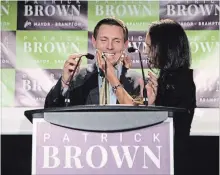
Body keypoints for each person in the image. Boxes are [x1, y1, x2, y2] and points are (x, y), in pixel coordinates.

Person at [44, 17, 157, 108]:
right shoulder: (77, 79)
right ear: (94, 41)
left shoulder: (139, 82)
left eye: (116, 41)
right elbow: (49, 111)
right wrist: (64, 82)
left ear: (125, 45)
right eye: (104, 40)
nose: (109, 46)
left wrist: (149, 105)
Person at [145, 19, 196, 175]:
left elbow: (167, 128)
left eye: (149, 46)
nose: (146, 51)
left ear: (164, 48)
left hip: (171, 162)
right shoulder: (170, 79)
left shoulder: (178, 82)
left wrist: (153, 105)